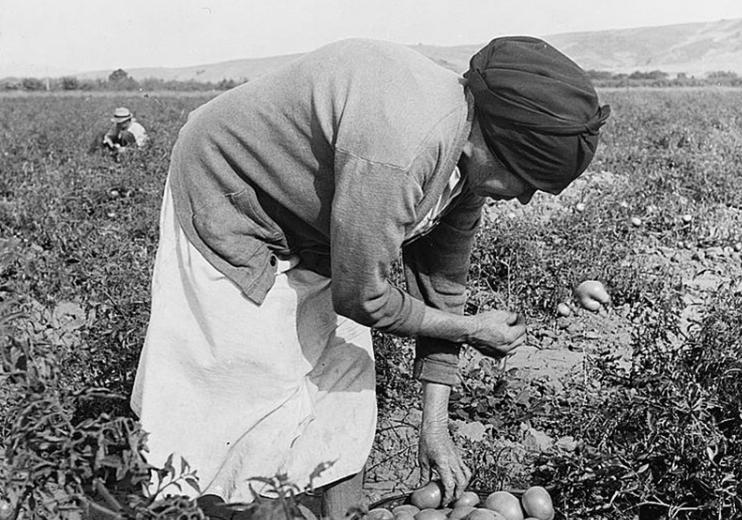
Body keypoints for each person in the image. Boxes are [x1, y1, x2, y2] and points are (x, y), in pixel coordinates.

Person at [130, 36, 609, 518]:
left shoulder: (469, 157)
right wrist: (470, 331)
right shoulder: (402, 148)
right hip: (232, 193)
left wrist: (435, 425)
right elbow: (361, 297)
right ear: (496, 145)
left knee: (345, 379)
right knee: (248, 384)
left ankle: (345, 513)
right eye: (526, 181)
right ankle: (209, 507)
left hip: (320, 222)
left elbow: (442, 284)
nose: (525, 198)